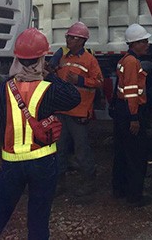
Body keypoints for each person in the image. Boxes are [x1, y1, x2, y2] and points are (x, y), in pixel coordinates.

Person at [0, 28, 81, 240]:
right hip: (43, 164)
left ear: (17, 58)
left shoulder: (3, 89)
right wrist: (51, 74)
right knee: (38, 222)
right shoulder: (49, 88)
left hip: (11, 166)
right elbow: (73, 97)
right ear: (42, 58)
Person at [48, 21, 104, 197]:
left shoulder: (89, 60)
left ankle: (89, 182)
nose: (68, 40)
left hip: (79, 113)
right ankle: (59, 183)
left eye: (72, 37)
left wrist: (80, 81)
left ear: (81, 41)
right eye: (68, 37)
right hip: (61, 112)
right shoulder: (63, 58)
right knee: (59, 149)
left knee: (81, 150)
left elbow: (99, 82)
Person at [112, 23, 151, 206]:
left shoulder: (125, 60)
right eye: (143, 41)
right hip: (130, 112)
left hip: (122, 110)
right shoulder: (132, 62)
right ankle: (134, 196)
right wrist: (134, 118)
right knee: (136, 156)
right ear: (134, 44)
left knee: (122, 152)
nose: (147, 44)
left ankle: (119, 189)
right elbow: (132, 92)